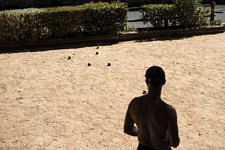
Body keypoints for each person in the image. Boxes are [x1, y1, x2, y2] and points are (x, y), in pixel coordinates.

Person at [124, 66, 180, 150]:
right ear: (164, 82)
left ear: (146, 81)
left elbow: (128, 129)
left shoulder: (135, 103)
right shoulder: (168, 111)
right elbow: (174, 143)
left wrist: (140, 132)